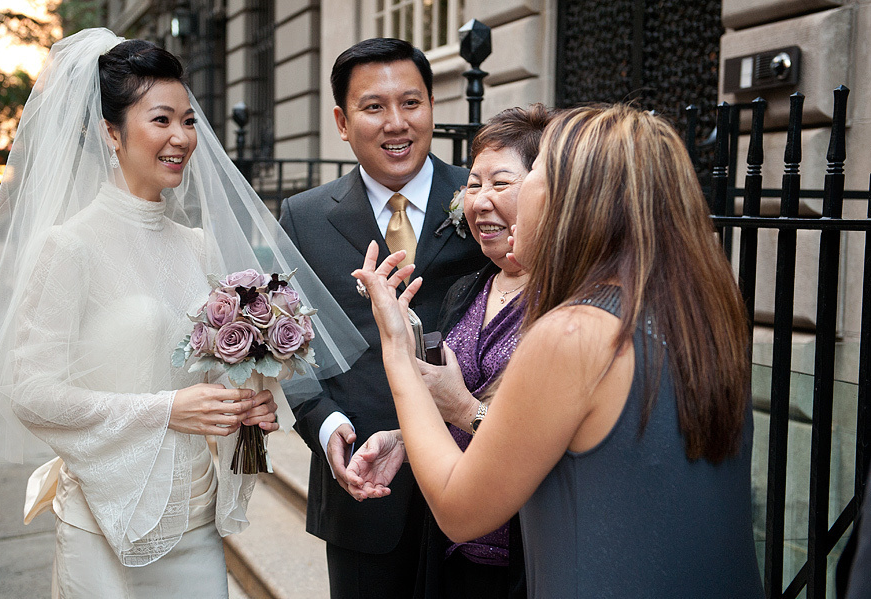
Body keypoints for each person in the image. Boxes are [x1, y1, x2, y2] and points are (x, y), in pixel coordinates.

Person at [0, 29, 365, 598]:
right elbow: (31, 393)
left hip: (194, 517)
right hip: (104, 522)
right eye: (161, 120)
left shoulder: (197, 246)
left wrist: (241, 405)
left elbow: (199, 372)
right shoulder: (70, 247)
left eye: (188, 120)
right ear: (111, 132)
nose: (181, 137)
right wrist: (166, 410)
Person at [351, 104, 765, 597]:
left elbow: (459, 510)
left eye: (534, 174)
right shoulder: (699, 313)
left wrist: (398, 351)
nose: (489, 198)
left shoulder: (573, 332)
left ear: (575, 201)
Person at [278, 38, 488, 598]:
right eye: (374, 107)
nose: (397, 123)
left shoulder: (481, 200)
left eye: (411, 103)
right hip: (363, 490)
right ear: (343, 123)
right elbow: (288, 349)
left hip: (479, 478)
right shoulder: (303, 217)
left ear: (433, 107)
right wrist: (325, 425)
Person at [344, 105, 555, 599]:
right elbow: (450, 409)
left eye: (500, 183)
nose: (479, 201)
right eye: (473, 184)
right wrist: (404, 441)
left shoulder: (567, 305)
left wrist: (463, 409)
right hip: (452, 551)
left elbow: (551, 448)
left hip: (532, 558)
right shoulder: (468, 289)